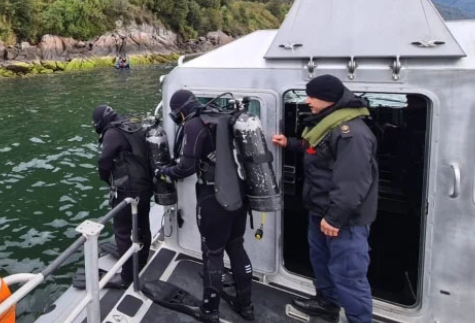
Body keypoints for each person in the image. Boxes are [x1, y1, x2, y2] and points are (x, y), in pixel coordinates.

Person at [272, 75, 378, 323]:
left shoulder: (352, 134)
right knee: (321, 262)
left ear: (328, 99)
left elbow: (352, 183)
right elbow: (317, 150)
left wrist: (334, 218)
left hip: (344, 220)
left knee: (348, 275)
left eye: (312, 96)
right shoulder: (326, 126)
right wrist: (290, 143)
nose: (307, 100)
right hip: (321, 211)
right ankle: (327, 303)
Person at [158, 90, 254, 323]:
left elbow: (186, 168)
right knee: (236, 246)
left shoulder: (193, 125)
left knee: (212, 254)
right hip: (239, 195)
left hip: (213, 198)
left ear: (180, 111)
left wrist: (163, 172)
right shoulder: (222, 116)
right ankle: (246, 306)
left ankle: (209, 310)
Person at [92, 105, 153, 289]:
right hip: (145, 185)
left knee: (123, 233)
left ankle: (127, 277)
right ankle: (142, 260)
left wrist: (107, 179)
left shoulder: (112, 133)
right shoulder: (132, 124)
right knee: (143, 224)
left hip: (127, 191)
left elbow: (104, 162)